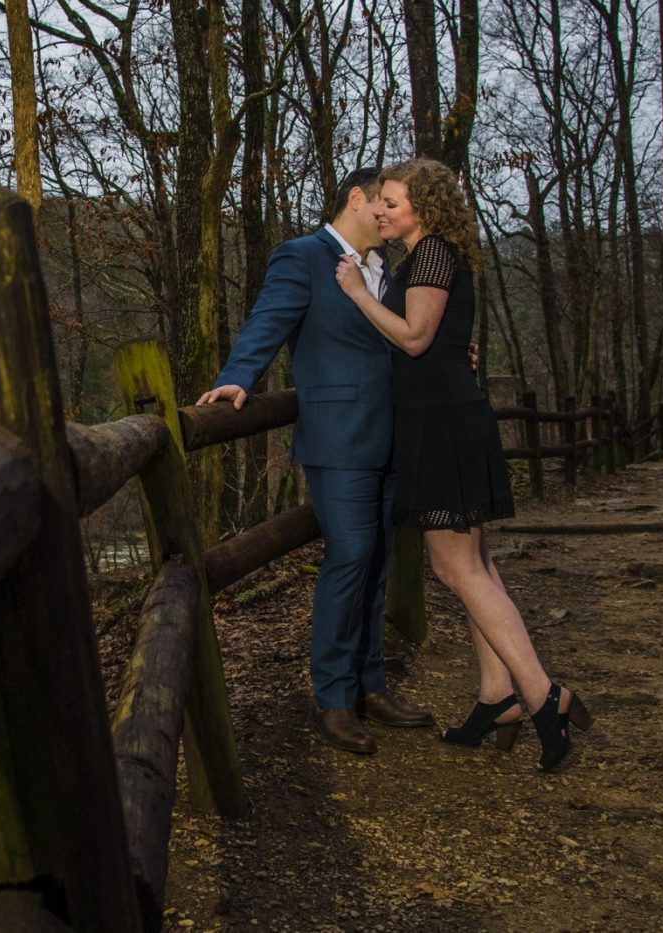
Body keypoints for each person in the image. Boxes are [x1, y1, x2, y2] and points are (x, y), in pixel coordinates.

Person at [333, 158, 592, 771]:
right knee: (476, 565)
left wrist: (356, 293)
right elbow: (440, 338)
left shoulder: (429, 256)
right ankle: (496, 697)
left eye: (392, 202)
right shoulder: (437, 255)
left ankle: (543, 696)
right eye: (380, 202)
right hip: (449, 411)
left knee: (457, 571)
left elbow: (416, 338)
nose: (381, 210)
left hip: (440, 424)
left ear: (423, 207)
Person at [198, 167, 435, 756]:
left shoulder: (389, 270)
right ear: (355, 198)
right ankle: (332, 698)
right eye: (380, 203)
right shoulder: (302, 255)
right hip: (338, 436)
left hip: (392, 437)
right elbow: (267, 322)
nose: (387, 216)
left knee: (377, 559)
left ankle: (370, 685)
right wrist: (236, 378)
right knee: (350, 557)